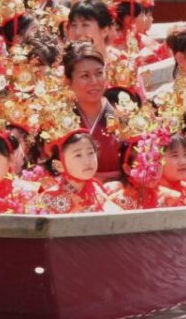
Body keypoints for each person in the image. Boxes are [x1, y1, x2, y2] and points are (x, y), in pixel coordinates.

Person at [63, 41, 121, 179]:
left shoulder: (124, 117)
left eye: (99, 73)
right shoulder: (59, 120)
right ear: (68, 81)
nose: (94, 81)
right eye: (85, 76)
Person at [33, 130, 121, 214]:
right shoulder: (47, 199)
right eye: (78, 155)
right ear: (59, 165)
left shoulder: (96, 189)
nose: (87, 161)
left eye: (90, 153)